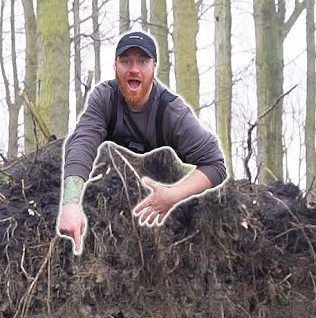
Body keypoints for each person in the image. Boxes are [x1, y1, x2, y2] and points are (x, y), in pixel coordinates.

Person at [56, 30, 228, 256]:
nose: (134, 69)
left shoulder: (172, 113)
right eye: (126, 61)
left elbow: (215, 165)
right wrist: (70, 203)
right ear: (115, 65)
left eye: (142, 61)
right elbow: (81, 144)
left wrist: (173, 195)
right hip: (105, 208)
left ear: (154, 66)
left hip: (158, 223)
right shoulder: (104, 98)